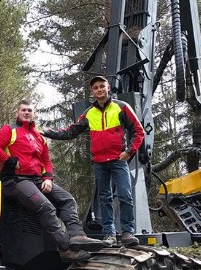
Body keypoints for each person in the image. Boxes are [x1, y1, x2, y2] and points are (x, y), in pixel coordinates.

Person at [0, 99, 101, 262]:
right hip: (15, 180)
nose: (26, 113)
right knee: (46, 207)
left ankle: (77, 236)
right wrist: (9, 161)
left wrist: (47, 179)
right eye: (23, 110)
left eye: (29, 110)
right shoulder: (10, 130)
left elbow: (46, 161)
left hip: (37, 180)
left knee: (67, 200)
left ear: (33, 114)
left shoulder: (39, 136)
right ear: (17, 112)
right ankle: (65, 249)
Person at [42, 76, 145, 247]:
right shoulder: (89, 113)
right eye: (95, 88)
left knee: (125, 195)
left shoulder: (121, 107)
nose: (99, 90)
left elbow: (138, 131)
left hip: (118, 160)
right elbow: (71, 131)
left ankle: (128, 232)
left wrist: (129, 152)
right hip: (99, 163)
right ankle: (109, 234)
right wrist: (47, 133)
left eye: (101, 86)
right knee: (105, 198)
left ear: (108, 88)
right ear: (92, 91)